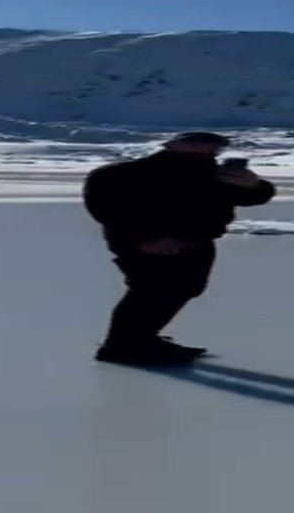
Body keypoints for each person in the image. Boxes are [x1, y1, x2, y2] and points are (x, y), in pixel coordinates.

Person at [82, 131, 276, 365]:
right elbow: (106, 208)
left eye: (213, 145)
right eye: (194, 144)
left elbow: (252, 198)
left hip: (196, 241)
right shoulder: (126, 173)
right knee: (152, 290)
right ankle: (121, 346)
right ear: (173, 145)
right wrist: (144, 239)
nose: (203, 149)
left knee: (184, 289)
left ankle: (139, 338)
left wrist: (255, 185)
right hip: (147, 244)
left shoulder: (215, 175)